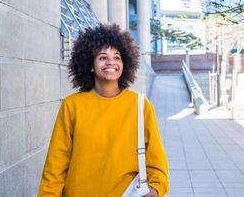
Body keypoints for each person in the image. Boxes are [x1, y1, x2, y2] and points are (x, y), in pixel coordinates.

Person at [38, 24, 169, 197]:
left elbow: (156, 156)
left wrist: (156, 187)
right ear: (90, 65)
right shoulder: (72, 105)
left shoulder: (140, 105)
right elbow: (56, 162)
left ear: (124, 63)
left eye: (117, 57)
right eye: (102, 57)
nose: (111, 62)